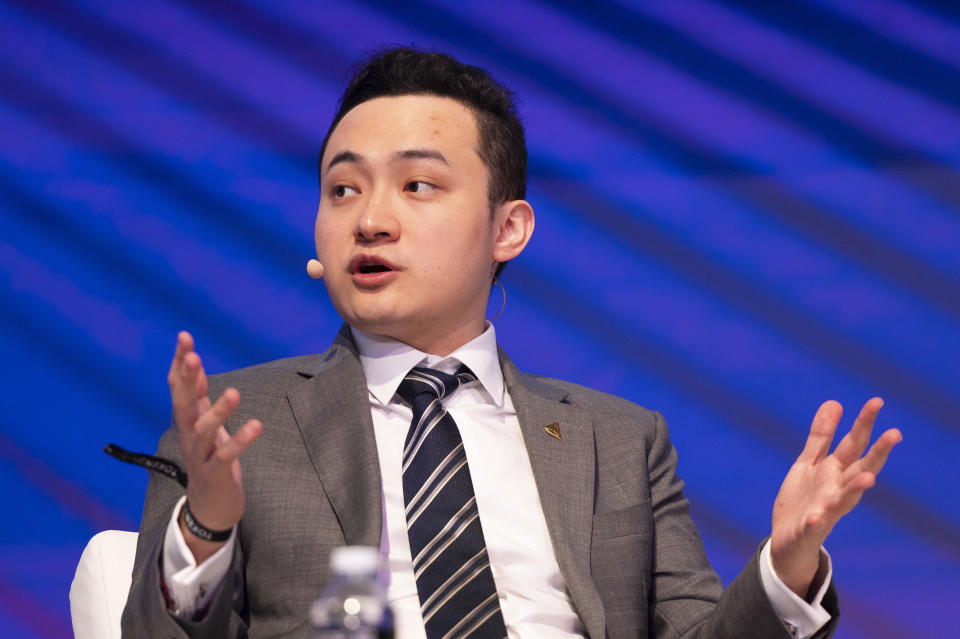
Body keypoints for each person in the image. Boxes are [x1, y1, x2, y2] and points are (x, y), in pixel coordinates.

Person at [121, 47, 901, 639]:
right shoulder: (233, 425)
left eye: (417, 185)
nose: (370, 219)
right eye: (342, 188)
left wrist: (787, 562)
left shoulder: (618, 439)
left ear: (508, 228)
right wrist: (208, 525)